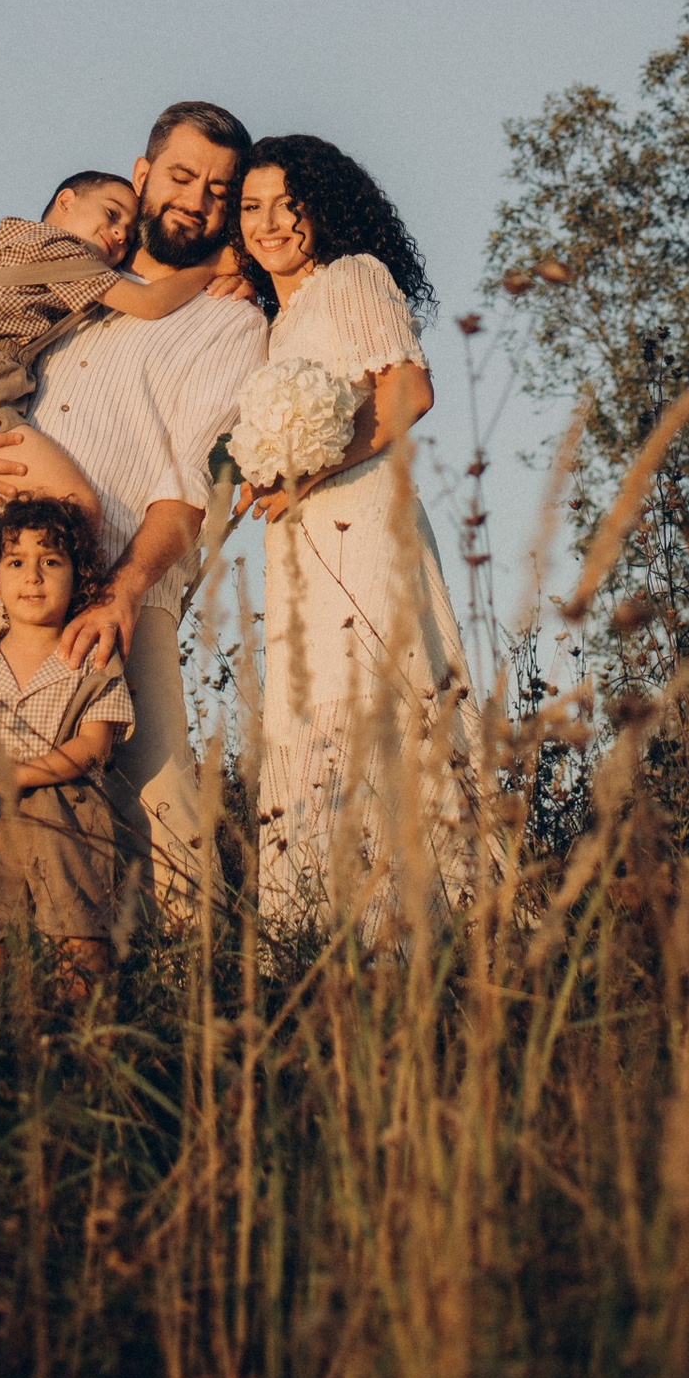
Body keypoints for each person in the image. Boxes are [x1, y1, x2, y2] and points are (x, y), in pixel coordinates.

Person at [0, 99, 266, 930]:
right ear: (143, 174)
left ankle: (190, 984)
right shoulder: (77, 271)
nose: (196, 200)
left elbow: (189, 491)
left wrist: (121, 594)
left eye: (218, 190)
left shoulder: (231, 323)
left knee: (158, 804)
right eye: (181, 176)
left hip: (121, 592)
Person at [234, 133, 479, 928]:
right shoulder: (278, 321)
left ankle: (400, 929)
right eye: (252, 208)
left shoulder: (353, 277)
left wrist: (309, 469)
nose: (271, 223)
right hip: (301, 544)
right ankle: (324, 927)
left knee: (368, 701)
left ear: (325, 208)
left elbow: (408, 390)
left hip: (363, 519)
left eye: (289, 204)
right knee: (312, 717)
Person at [0, 497, 130, 985]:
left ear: (79, 577)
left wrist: (17, 774)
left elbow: (94, 746)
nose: (34, 576)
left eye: (51, 561)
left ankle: (82, 1027)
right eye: (16, 562)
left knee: (79, 939)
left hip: (66, 815)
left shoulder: (92, 658)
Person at [0, 165, 219, 451]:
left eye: (131, 235)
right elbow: (149, 303)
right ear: (66, 201)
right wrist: (214, 266)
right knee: (71, 494)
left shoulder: (21, 252)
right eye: (111, 214)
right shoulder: (58, 248)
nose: (121, 233)